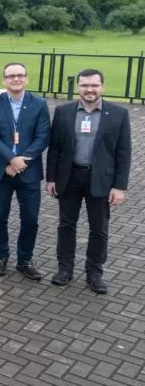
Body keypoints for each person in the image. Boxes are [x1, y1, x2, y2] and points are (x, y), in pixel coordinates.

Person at [46, 69, 132, 294]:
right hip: (69, 177)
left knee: (99, 229)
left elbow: (124, 152)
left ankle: (94, 273)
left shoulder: (118, 114)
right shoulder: (63, 112)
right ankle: (65, 269)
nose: (89, 90)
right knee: (66, 225)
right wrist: (51, 178)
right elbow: (55, 148)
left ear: (102, 86)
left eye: (94, 85)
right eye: (84, 85)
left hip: (101, 180)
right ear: (78, 88)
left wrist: (120, 186)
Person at [0, 62, 50, 280]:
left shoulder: (39, 104)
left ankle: (25, 259)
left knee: (30, 219)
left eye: (20, 75)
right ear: (4, 80)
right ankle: (1, 256)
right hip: (0, 170)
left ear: (27, 78)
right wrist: (11, 159)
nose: (15, 79)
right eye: (11, 76)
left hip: (28, 171)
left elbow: (43, 136)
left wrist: (22, 161)